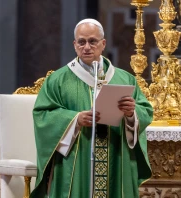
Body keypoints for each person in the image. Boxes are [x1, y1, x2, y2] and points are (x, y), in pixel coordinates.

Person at [30, 18, 153, 198]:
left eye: (92, 41)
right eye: (81, 42)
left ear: (103, 44)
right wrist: (75, 120)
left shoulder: (125, 79)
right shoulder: (58, 80)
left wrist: (131, 114)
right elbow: (42, 115)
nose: (87, 47)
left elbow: (145, 111)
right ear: (74, 45)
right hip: (77, 159)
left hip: (116, 156)